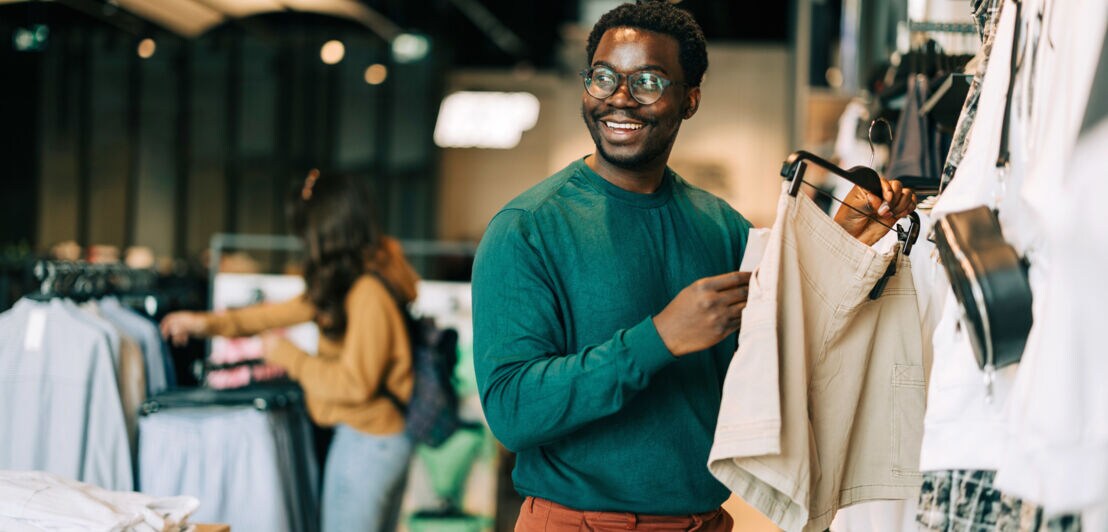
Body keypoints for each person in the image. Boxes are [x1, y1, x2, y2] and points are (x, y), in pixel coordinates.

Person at [471, 1, 918, 530]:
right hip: (580, 524)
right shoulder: (527, 228)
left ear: (690, 100)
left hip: (706, 522)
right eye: (603, 77)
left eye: (649, 82)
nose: (619, 98)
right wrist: (659, 337)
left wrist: (843, 244)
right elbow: (512, 412)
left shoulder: (721, 225)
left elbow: (775, 360)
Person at [160, 171, 421, 532]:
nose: (303, 243)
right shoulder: (349, 284)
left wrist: (288, 355)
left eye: (306, 232)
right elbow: (272, 314)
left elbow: (355, 385)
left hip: (369, 442)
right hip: (371, 440)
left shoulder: (366, 294)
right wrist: (202, 323)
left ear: (326, 232)